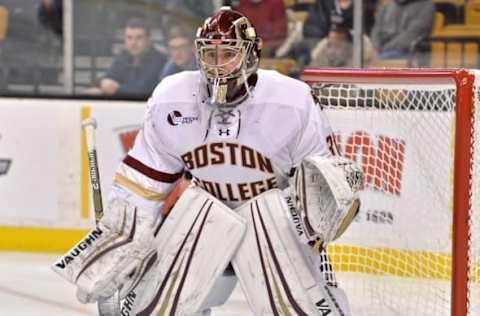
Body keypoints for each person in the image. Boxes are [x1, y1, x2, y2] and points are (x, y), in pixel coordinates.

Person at [53, 7, 362, 315]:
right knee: (153, 305)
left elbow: (321, 182)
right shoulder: (173, 97)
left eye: (228, 53)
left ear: (251, 55)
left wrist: (310, 234)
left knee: (295, 288)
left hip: (272, 219)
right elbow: (143, 181)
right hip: (205, 217)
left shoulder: (290, 101)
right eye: (209, 55)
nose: (217, 65)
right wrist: (121, 239)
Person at [84, 17, 167, 97]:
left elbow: (142, 91)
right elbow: (109, 77)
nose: (133, 43)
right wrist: (102, 84)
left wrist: (117, 89)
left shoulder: (159, 60)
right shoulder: (123, 56)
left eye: (139, 38)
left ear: (148, 39)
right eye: (129, 38)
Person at [371, 0, 435, 60]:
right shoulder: (387, 6)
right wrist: (377, 46)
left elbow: (413, 34)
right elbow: (376, 29)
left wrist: (384, 49)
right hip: (382, 51)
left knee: (368, 65)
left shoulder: (425, 6)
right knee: (364, 60)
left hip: (410, 53)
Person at [309, 9, 374, 68]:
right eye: (329, 45)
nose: (331, 51)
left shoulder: (357, 56)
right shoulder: (323, 51)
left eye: (337, 46)